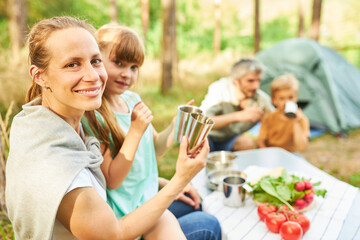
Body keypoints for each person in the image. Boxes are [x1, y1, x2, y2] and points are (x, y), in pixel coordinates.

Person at [5, 16, 210, 240]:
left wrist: (163, 180)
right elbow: (113, 233)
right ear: (39, 76)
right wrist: (180, 179)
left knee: (195, 211)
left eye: (95, 61)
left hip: (131, 206)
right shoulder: (58, 160)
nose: (93, 76)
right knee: (206, 226)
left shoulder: (53, 122)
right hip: (119, 223)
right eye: (72, 64)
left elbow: (150, 151)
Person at [82, 24, 221, 240]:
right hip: (129, 215)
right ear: (97, 61)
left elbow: (154, 148)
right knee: (208, 224)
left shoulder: (132, 100)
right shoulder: (95, 116)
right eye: (118, 63)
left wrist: (176, 125)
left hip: (148, 196)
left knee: (198, 204)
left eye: (134, 67)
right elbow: (113, 180)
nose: (126, 74)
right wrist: (135, 131)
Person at [200, 58, 274, 152]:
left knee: (246, 143)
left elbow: (275, 121)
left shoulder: (260, 99)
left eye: (258, 80)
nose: (256, 86)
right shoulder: (220, 90)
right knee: (197, 139)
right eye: (250, 81)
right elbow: (202, 123)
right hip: (210, 138)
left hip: (232, 141)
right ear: (236, 80)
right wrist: (238, 116)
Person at [257, 74, 310, 152]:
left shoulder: (302, 120)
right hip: (271, 152)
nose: (287, 102)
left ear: (296, 98)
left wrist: (296, 122)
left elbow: (301, 148)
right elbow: (260, 141)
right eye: (282, 98)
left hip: (290, 154)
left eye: (291, 97)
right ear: (274, 100)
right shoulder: (269, 117)